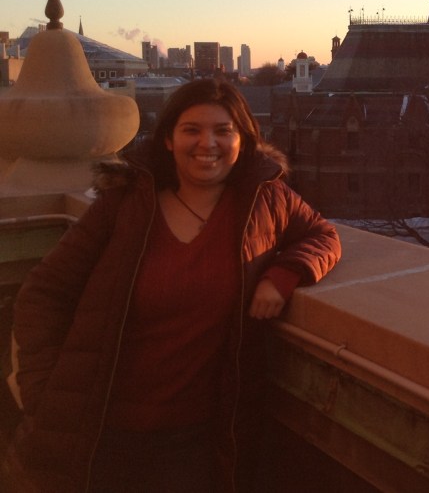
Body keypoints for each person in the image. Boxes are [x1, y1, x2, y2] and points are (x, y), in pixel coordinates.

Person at [4, 78, 341, 492]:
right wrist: (43, 393)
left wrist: (282, 276)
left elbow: (323, 236)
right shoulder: (125, 202)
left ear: (243, 139)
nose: (208, 143)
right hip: (98, 428)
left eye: (223, 131)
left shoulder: (265, 201)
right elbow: (44, 292)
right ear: (167, 139)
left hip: (193, 440)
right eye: (192, 130)